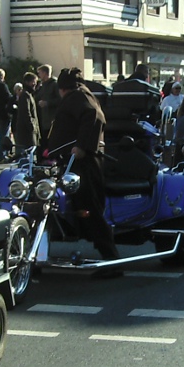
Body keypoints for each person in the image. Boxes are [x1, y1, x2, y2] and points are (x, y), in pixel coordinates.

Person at [47, 68, 118, 264]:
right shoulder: (78, 96)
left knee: (90, 206)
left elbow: (95, 117)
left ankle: (111, 259)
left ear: (62, 88)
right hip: (70, 160)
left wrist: (82, 147)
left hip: (82, 162)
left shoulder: (78, 97)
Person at [34, 64, 60, 147]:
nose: (39, 75)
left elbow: (60, 99)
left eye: (40, 73)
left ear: (45, 73)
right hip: (42, 119)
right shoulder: (42, 85)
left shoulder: (54, 85)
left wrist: (47, 103)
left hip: (51, 120)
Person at [13, 72, 39, 154]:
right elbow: (26, 113)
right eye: (33, 81)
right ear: (27, 82)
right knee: (26, 156)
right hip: (26, 132)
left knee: (27, 156)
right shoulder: (25, 95)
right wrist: (32, 127)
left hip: (26, 130)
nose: (35, 84)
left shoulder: (28, 94)